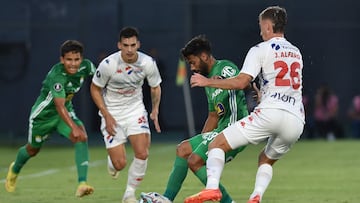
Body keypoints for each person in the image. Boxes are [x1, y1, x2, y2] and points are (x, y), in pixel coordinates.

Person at [185, 6, 305, 203]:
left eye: (261, 26)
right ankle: (256, 196)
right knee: (265, 159)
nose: (260, 31)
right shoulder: (296, 52)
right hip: (295, 119)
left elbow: (241, 81)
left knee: (217, 144)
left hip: (270, 113)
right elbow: (283, 81)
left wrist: (207, 82)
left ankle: (212, 188)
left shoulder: (260, 49)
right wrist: (262, 92)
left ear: (267, 26)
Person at [140, 35, 253, 203]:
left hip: (235, 129)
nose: (192, 68)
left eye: (193, 62)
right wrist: (201, 144)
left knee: (195, 161)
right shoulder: (209, 82)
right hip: (220, 130)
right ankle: (167, 199)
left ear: (204, 56)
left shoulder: (224, 67)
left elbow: (240, 83)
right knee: (183, 149)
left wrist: (209, 82)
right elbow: (213, 116)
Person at [5, 40, 95, 197]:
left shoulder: (86, 66)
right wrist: (73, 127)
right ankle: (15, 169)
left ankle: (82, 183)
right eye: (68, 60)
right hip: (43, 117)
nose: (73, 64)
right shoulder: (57, 76)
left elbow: (102, 77)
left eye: (76, 59)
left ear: (81, 59)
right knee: (32, 150)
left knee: (81, 137)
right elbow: (59, 106)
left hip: (65, 112)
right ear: (62, 60)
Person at [90, 26, 162, 203]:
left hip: (135, 110)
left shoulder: (147, 63)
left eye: (132, 45)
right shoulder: (108, 65)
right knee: (119, 164)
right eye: (125, 45)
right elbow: (95, 89)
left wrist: (155, 109)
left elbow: (155, 87)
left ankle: (129, 194)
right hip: (112, 113)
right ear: (119, 45)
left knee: (143, 153)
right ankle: (112, 162)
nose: (129, 49)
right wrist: (106, 115)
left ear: (138, 44)